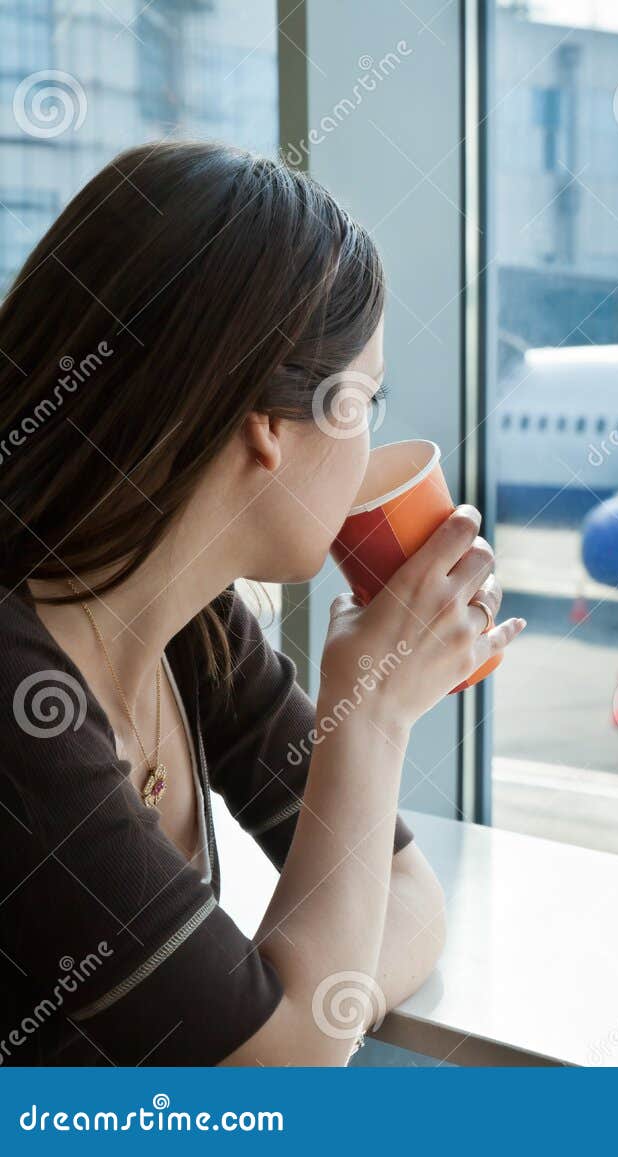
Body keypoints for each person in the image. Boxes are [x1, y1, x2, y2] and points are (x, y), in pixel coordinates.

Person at [0, 140, 525, 1065]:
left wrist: (300, 1002)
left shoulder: (188, 624)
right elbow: (280, 1076)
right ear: (272, 428)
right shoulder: (19, 706)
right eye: (365, 401)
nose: (372, 452)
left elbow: (406, 892)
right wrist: (373, 718)